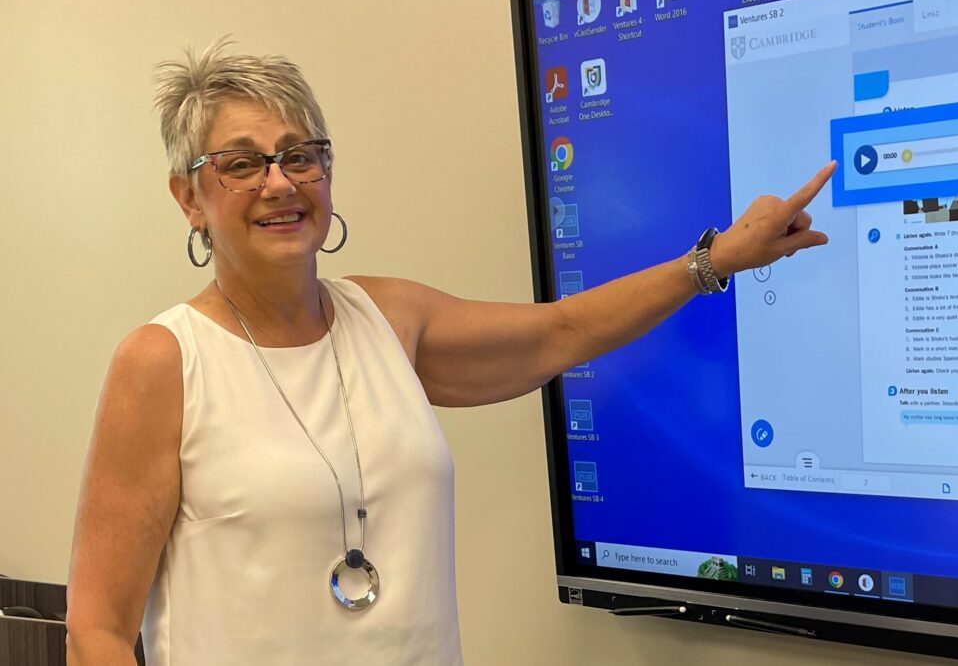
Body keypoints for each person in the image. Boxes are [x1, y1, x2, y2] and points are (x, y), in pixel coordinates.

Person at [65, 39, 836, 666]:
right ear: (188, 198)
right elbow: (96, 629)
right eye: (240, 163)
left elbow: (562, 331)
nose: (280, 182)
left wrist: (714, 263)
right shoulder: (164, 361)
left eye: (301, 155)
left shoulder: (388, 320)